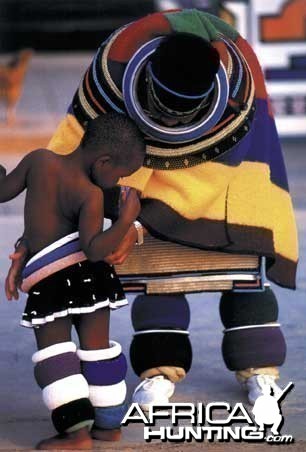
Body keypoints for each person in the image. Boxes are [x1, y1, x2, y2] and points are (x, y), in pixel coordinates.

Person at [6, 9, 298, 411]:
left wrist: (135, 221)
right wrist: (36, 237)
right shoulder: (114, 66)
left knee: (245, 252)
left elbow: (237, 167)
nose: (164, 120)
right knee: (159, 274)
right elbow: (66, 160)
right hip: (146, 190)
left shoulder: (240, 85)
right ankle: (159, 370)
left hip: (231, 179)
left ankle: (260, 370)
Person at [0, 112, 145, 450]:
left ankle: (76, 431)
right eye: (120, 175)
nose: (116, 182)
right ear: (104, 161)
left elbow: (2, 190)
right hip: (90, 280)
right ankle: (107, 426)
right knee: (98, 352)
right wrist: (125, 220)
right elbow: (95, 250)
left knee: (55, 356)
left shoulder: (38, 161)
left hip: (50, 283)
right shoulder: (90, 194)